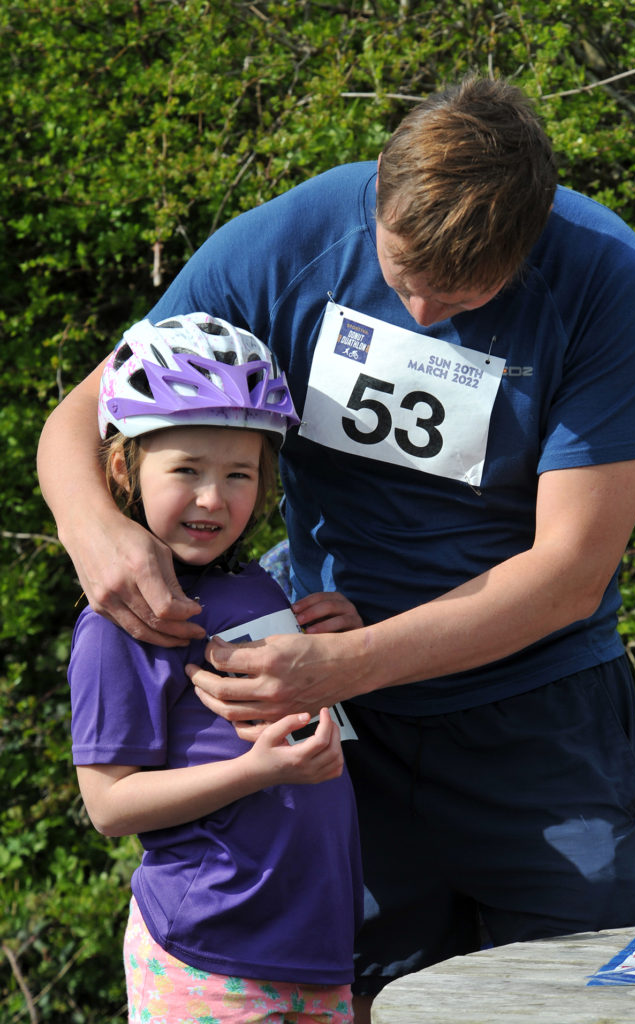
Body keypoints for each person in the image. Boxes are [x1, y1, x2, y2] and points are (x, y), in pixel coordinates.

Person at [40, 75, 635, 1022]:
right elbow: (87, 414)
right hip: (341, 738)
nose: (421, 310)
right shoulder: (294, 241)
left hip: (538, 721)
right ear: (379, 189)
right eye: (403, 271)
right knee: (375, 998)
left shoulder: (609, 283)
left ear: (532, 237)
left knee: (590, 999)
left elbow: (568, 575)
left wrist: (350, 662)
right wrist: (97, 531)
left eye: (465, 292)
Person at [67, 313, 363, 1024]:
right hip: (210, 955)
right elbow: (109, 806)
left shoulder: (261, 587)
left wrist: (346, 652)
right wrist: (256, 770)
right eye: (186, 470)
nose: (213, 498)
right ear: (123, 467)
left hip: (317, 948)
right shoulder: (124, 620)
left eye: (239, 473)